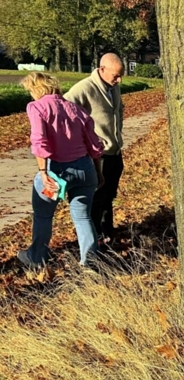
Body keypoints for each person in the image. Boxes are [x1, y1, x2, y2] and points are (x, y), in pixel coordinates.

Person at [16, 73, 104, 270]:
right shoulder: (76, 109)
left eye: (30, 90)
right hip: (85, 169)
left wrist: (43, 172)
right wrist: (98, 173)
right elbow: (94, 145)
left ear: (37, 89)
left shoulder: (37, 107)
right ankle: (90, 263)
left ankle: (37, 257)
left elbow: (39, 141)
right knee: (83, 217)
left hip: (55, 171)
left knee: (44, 215)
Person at [65, 52, 125, 247]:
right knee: (97, 198)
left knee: (109, 196)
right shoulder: (84, 88)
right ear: (102, 70)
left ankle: (108, 233)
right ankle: (95, 239)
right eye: (115, 75)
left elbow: (118, 111)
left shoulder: (114, 87)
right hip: (98, 156)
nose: (119, 79)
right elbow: (64, 110)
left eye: (120, 75)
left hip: (115, 152)